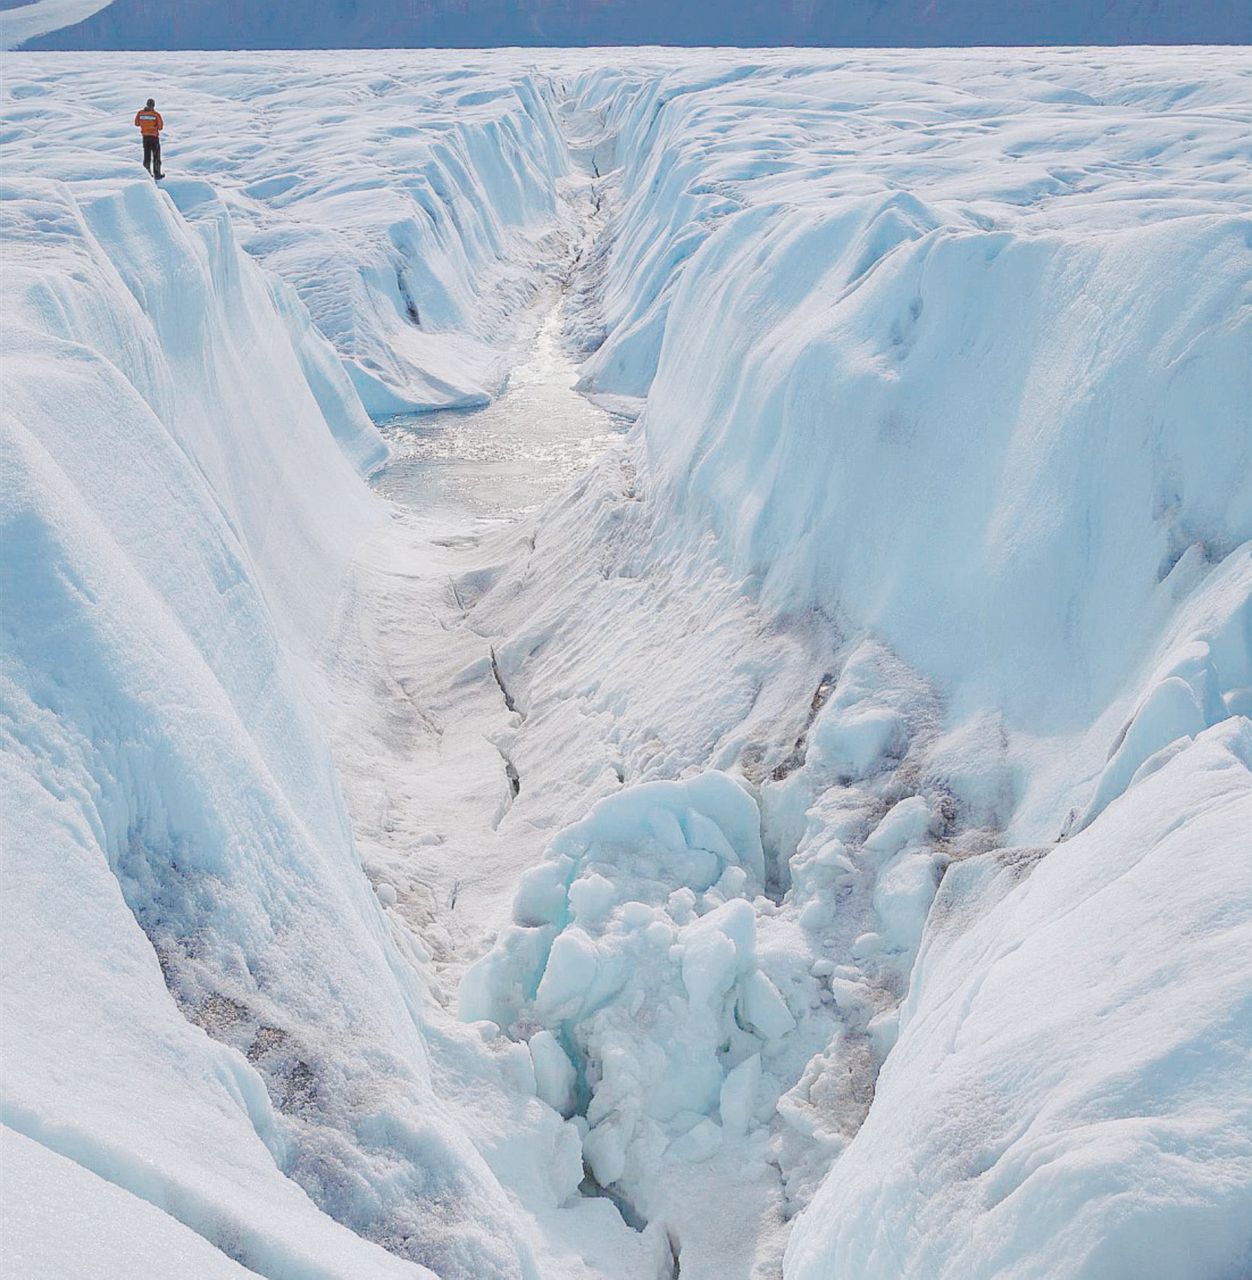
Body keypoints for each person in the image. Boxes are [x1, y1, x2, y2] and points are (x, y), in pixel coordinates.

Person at [134, 98, 164, 180]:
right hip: (154, 137)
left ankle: (147, 174)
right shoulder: (156, 114)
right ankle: (157, 174)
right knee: (156, 156)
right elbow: (160, 127)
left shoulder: (140, 113)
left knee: (147, 156)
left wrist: (144, 125)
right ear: (153, 105)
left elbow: (136, 123)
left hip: (145, 137)